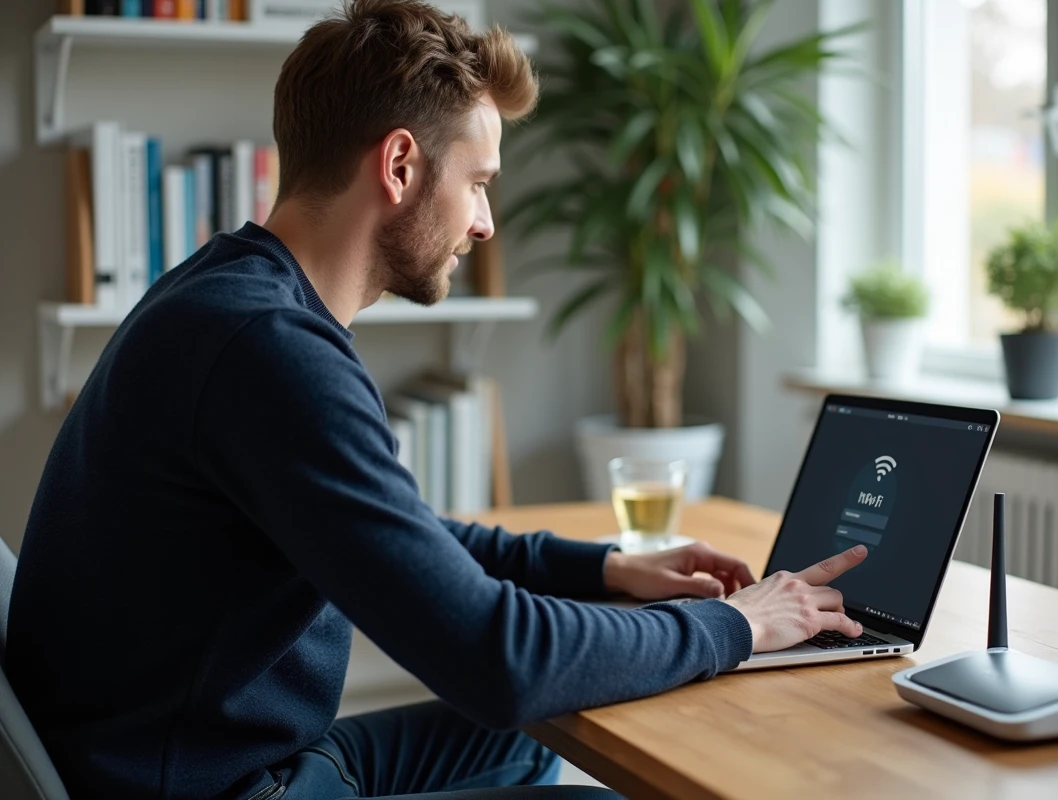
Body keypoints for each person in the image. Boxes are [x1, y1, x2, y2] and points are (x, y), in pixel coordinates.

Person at [7, 2, 868, 799]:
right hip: (219, 788)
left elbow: (397, 540)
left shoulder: (227, 295)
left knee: (536, 744)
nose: (485, 222)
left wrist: (605, 568)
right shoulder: (270, 352)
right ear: (400, 164)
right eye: (480, 181)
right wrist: (741, 628)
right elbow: (500, 660)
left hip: (211, 759)